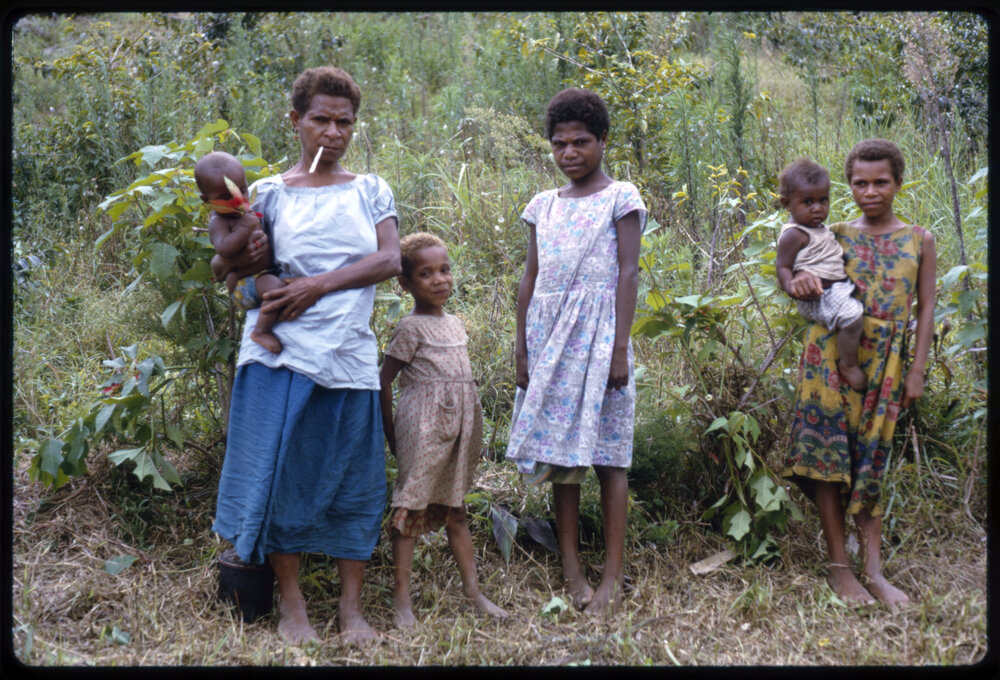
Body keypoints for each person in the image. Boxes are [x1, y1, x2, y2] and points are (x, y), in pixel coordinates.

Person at [211, 66, 401, 645]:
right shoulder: (266, 194)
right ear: (295, 121)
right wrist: (246, 274)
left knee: (355, 479)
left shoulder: (370, 189)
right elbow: (233, 271)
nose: (332, 132)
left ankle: (351, 609)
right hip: (279, 356)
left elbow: (389, 260)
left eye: (344, 122)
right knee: (281, 474)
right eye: (319, 119)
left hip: (348, 356)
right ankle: (292, 605)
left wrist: (318, 285)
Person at [505, 88, 645, 616]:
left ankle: (612, 574)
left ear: (603, 141)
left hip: (601, 337)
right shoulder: (543, 205)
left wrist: (620, 349)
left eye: (582, 142)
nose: (570, 152)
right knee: (560, 459)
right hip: (548, 338)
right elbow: (530, 278)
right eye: (560, 144)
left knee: (609, 457)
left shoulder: (621, 198)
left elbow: (628, 272)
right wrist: (521, 348)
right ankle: (571, 568)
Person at [781, 139, 936, 608]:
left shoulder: (919, 239)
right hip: (829, 355)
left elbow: (926, 309)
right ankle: (839, 568)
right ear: (847, 185)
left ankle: (874, 570)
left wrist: (917, 371)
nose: (870, 191)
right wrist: (798, 284)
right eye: (859, 183)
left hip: (885, 365)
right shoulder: (832, 233)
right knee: (828, 460)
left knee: (872, 462)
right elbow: (791, 273)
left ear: (898, 183)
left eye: (880, 182)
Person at [378, 232, 509, 627]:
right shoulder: (410, 327)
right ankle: (401, 601)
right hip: (423, 428)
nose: (440, 280)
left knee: (456, 510)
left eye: (445, 270)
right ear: (405, 284)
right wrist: (391, 434)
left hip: (459, 430)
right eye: (426, 273)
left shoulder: (454, 323)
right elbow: (382, 381)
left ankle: (474, 593)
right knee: (410, 509)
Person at [775, 158, 865, 390]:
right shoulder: (794, 234)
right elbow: (783, 266)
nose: (817, 208)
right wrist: (792, 286)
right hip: (817, 295)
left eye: (823, 200)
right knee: (853, 319)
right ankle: (848, 364)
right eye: (807, 202)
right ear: (787, 203)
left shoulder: (817, 227)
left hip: (836, 288)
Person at [195, 151, 287, 354]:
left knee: (282, 285)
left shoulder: (247, 209)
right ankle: (261, 332)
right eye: (226, 197)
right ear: (206, 199)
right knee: (276, 287)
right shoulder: (219, 222)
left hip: (261, 273)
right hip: (245, 283)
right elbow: (224, 248)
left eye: (242, 191)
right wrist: (245, 227)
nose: (238, 200)